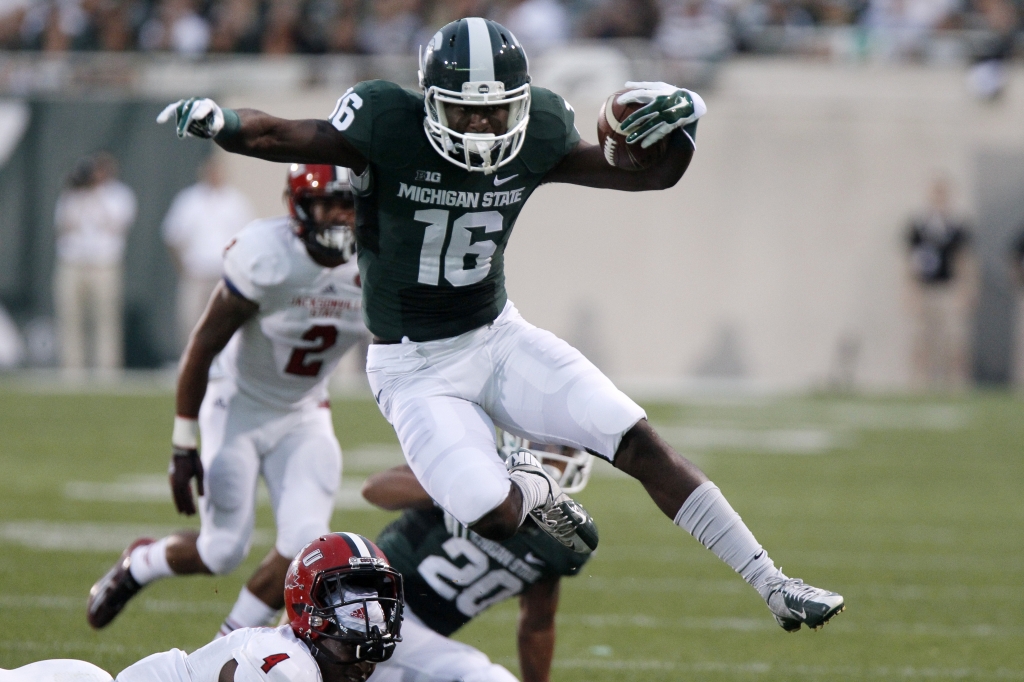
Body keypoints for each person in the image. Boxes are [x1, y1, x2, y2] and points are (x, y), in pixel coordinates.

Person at [157, 16, 844, 632]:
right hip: (412, 367)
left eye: (496, 113)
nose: (484, 129)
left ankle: (772, 583)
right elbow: (285, 132)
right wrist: (221, 122)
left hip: (497, 337)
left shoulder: (540, 128)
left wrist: (683, 128)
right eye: (467, 111)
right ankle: (532, 480)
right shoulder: (386, 122)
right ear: (431, 102)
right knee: (490, 508)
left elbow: (646, 177)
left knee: (636, 440)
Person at [87, 165, 368, 638]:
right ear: (299, 207)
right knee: (221, 551)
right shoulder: (268, 256)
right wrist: (182, 445)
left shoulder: (380, 265)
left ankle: (227, 645)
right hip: (237, 404)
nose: (341, 217)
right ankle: (141, 562)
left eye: (350, 204)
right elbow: (202, 345)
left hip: (304, 412)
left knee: (304, 545)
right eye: (329, 203)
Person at [12, 533, 403, 682]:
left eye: (375, 612)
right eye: (354, 614)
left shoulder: (309, 660)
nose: (368, 640)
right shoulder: (288, 669)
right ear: (310, 612)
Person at [362, 434, 595, 682]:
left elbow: (537, 625)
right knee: (480, 677)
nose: (554, 455)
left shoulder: (556, 538)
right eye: (544, 444)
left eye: (566, 451)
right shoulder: (475, 466)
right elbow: (375, 489)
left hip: (405, 643)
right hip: (368, 603)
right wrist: (450, 493)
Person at [53, 151, 136, 373]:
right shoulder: (72, 195)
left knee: (106, 318)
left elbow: (115, 225)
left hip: (103, 264)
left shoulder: (119, 195)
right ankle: (72, 369)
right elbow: (64, 226)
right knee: (71, 317)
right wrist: (81, 196)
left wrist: (97, 197)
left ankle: (106, 369)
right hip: (74, 262)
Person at [162, 155, 255, 351]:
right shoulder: (189, 200)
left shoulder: (235, 201)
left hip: (225, 274)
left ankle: (224, 366)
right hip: (196, 273)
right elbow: (172, 237)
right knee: (191, 321)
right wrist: (183, 268)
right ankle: (189, 364)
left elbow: (248, 239)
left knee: (228, 322)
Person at [905, 176, 976, 390]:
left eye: (942, 193)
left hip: (948, 289)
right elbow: (909, 261)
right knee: (922, 340)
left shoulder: (957, 227)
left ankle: (955, 384)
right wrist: (910, 291)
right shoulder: (918, 226)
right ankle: (920, 384)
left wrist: (966, 289)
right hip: (925, 289)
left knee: (954, 341)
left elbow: (964, 260)